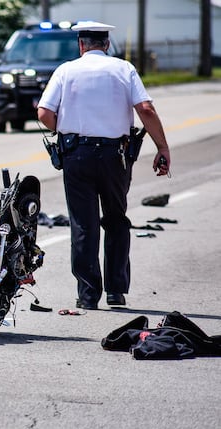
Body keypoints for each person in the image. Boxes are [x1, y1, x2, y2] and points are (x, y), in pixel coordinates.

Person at [37, 21, 172, 310]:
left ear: (81, 45)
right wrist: (162, 147)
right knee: (116, 219)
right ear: (107, 44)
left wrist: (67, 129)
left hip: (77, 155)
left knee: (83, 225)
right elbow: (146, 109)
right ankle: (116, 292)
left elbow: (44, 113)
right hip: (116, 156)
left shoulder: (66, 70)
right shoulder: (124, 69)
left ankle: (88, 296)